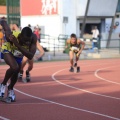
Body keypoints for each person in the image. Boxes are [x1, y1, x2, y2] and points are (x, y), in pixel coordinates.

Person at [0, 19, 37, 103]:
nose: (27, 42)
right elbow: (6, 28)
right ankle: (3, 84)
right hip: (8, 50)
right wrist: (2, 21)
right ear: (20, 36)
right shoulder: (12, 36)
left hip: (18, 53)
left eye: (29, 40)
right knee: (15, 67)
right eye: (25, 40)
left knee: (17, 70)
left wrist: (17, 44)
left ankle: (10, 89)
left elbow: (30, 56)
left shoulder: (33, 38)